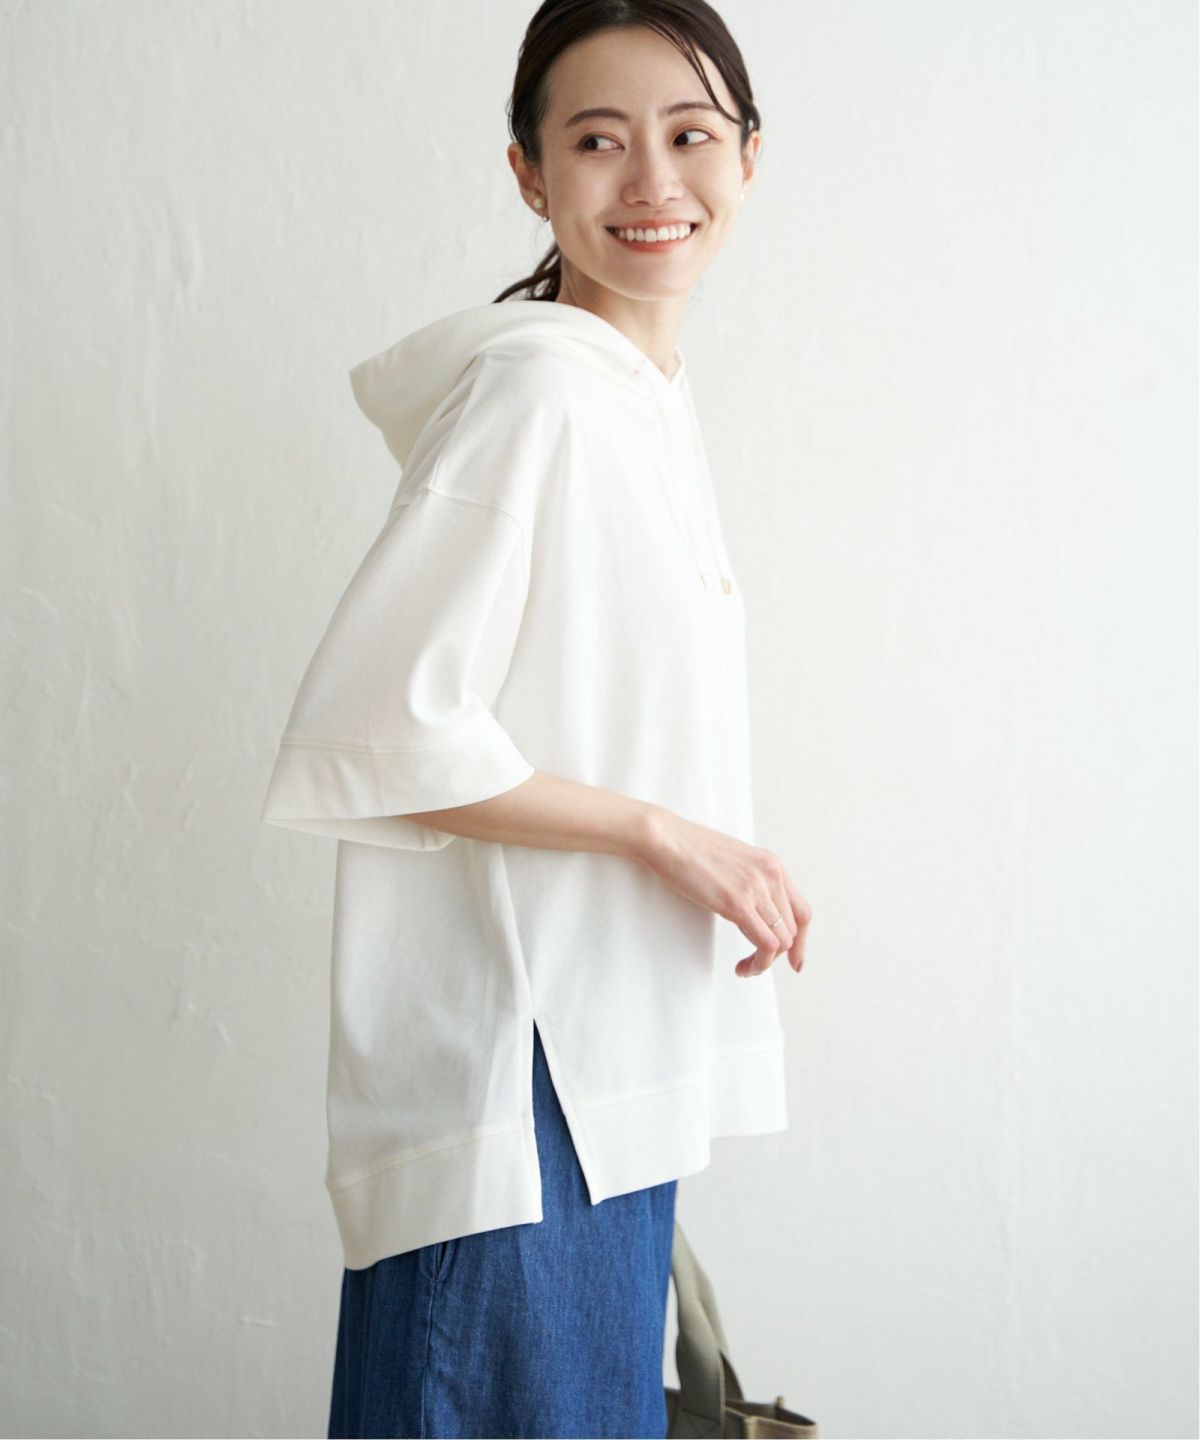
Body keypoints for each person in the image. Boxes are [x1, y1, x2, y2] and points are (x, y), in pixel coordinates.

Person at [261, 2, 813, 1435]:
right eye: (599, 141)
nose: (653, 181)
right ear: (529, 172)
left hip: (598, 1080)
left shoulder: (643, 406)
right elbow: (380, 727)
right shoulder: (538, 396)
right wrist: (670, 839)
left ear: (750, 160)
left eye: (690, 135)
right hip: (524, 1099)